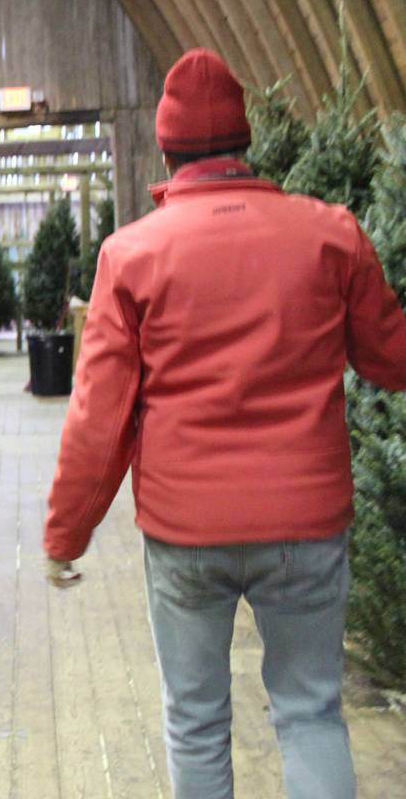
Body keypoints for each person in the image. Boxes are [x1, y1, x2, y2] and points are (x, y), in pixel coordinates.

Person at [41, 48, 406, 799]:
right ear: (245, 144)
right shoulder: (330, 234)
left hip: (186, 533)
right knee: (311, 714)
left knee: (197, 722)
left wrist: (65, 534)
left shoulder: (130, 255)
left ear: (167, 151)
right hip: (307, 523)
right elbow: (391, 358)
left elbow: (98, 417)